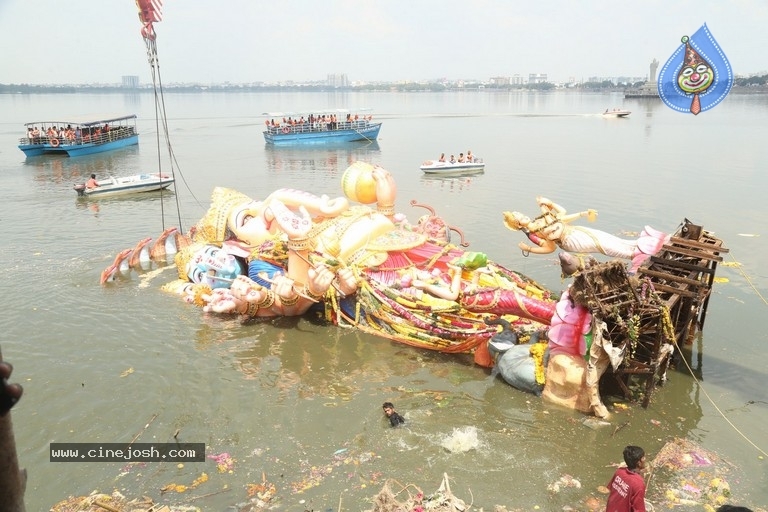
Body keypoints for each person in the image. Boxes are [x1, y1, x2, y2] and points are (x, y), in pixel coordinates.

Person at [606, 445, 647, 512]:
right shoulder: (638, 484)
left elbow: (612, 490)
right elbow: (639, 510)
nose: (645, 459)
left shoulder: (619, 472)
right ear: (639, 463)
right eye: (643, 457)